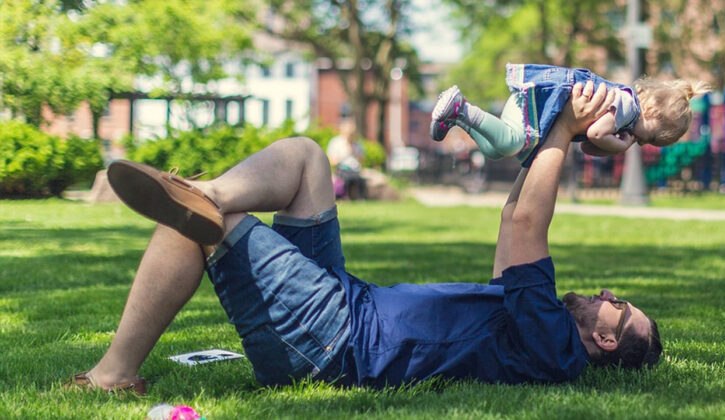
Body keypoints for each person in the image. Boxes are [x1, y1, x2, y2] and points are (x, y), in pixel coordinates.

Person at [65, 81, 660, 394]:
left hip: (332, 342)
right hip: (346, 303)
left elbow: (532, 223)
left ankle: (114, 375)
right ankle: (210, 194)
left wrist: (564, 126)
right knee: (306, 159)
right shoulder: (532, 323)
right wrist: (567, 136)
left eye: (620, 306)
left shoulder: (552, 347)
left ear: (607, 340)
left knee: (203, 229)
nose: (609, 294)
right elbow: (514, 218)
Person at [431, 63, 711, 165]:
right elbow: (595, 133)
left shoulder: (621, 119)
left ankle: (456, 117)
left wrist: (611, 147)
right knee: (510, 143)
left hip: (532, 107)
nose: (638, 141)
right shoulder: (627, 106)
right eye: (647, 137)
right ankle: (462, 107)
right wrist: (619, 145)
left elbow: (590, 146)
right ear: (650, 110)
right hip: (538, 103)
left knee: (494, 151)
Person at [326, 119, 367, 200]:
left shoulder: (357, 144)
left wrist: (354, 151)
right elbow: (331, 161)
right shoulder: (335, 142)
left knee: (359, 179)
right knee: (347, 179)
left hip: (355, 170)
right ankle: (344, 196)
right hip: (342, 170)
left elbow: (362, 160)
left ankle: (359, 197)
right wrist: (344, 155)